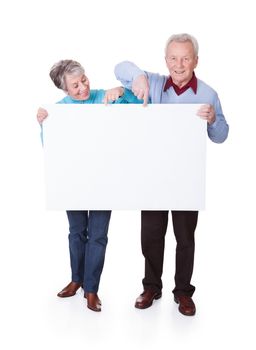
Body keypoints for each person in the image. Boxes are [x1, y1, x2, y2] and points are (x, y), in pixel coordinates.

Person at [115, 33, 229, 316]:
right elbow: (121, 67)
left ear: (196, 61)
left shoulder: (208, 93)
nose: (179, 65)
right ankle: (152, 286)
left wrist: (213, 119)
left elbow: (222, 135)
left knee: (185, 237)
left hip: (187, 178)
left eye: (186, 58)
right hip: (152, 176)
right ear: (166, 60)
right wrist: (138, 77)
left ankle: (183, 292)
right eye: (174, 58)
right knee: (151, 235)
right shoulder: (153, 83)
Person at [38, 59, 140, 312]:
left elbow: (140, 106)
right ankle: (76, 280)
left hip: (105, 179)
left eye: (84, 79)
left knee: (97, 236)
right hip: (73, 181)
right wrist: (44, 124)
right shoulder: (59, 110)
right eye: (75, 86)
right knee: (76, 233)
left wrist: (123, 93)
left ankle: (91, 289)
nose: (83, 87)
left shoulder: (103, 97)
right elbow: (50, 147)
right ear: (65, 90)